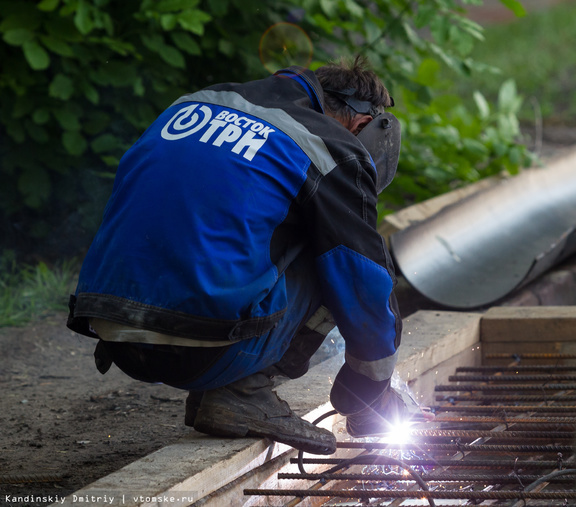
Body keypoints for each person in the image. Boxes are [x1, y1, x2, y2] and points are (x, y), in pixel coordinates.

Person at [67, 55, 418, 455]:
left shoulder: (195, 102)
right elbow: (365, 282)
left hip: (115, 331)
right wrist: (371, 392)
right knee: (339, 251)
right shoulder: (329, 146)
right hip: (198, 351)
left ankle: (225, 385)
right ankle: (244, 388)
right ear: (363, 127)